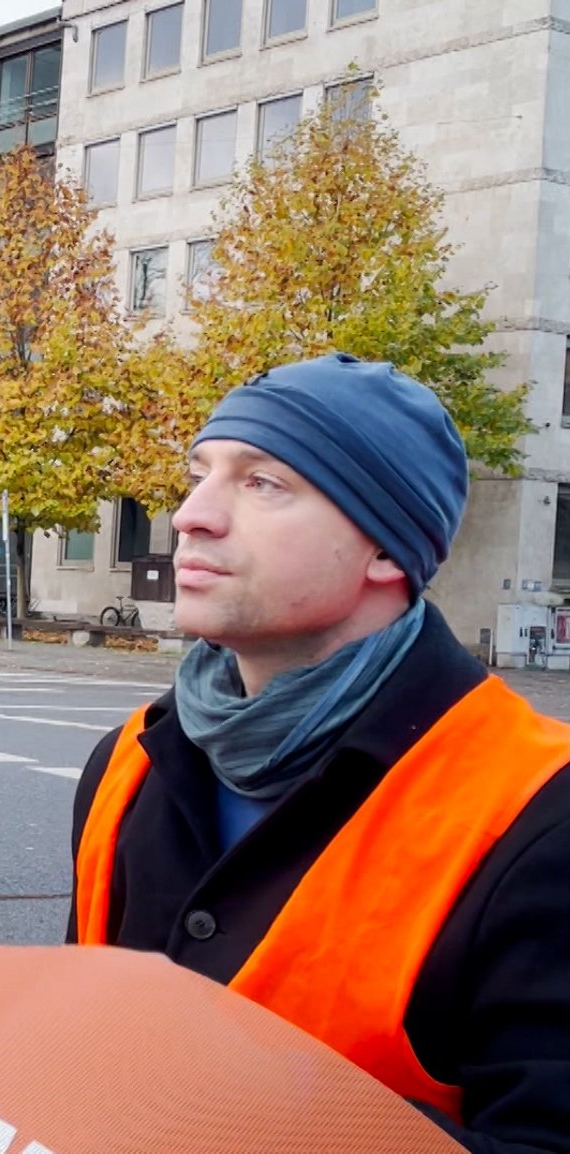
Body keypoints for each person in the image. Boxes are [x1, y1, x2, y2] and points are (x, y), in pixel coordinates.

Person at [69, 354, 570, 1149]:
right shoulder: (127, 760)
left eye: (263, 483)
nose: (192, 515)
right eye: (200, 474)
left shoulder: (541, 810)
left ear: (387, 551)